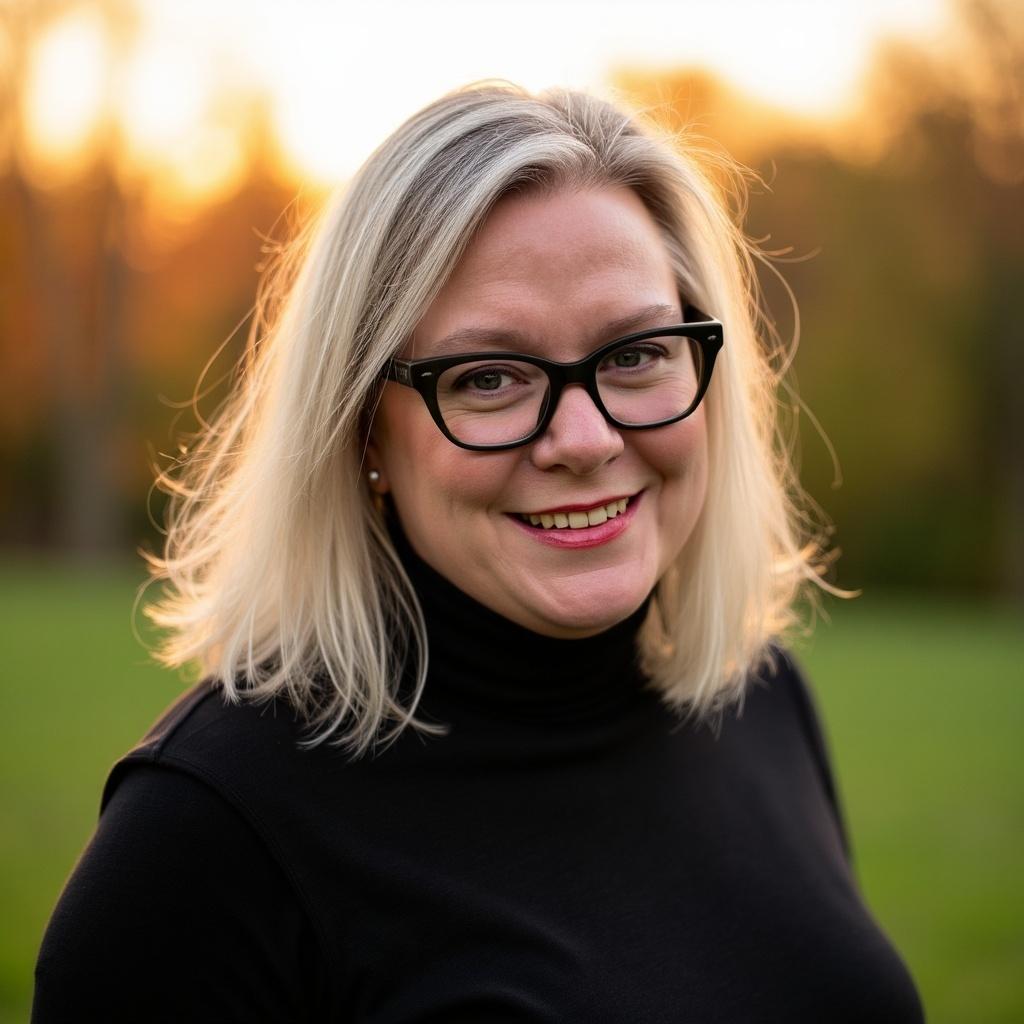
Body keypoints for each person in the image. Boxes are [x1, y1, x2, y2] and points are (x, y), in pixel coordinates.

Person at [32, 82, 925, 1022]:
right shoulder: (209, 836)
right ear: (365, 432)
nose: (583, 439)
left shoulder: (762, 701)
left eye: (635, 354)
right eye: (490, 376)